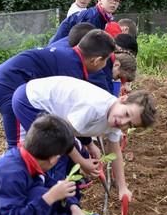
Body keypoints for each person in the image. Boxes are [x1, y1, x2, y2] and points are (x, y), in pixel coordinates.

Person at [11, 76, 157, 202]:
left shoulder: (115, 119)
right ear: (123, 99)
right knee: (52, 156)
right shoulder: (94, 107)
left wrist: (122, 187)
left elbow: (115, 151)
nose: (123, 122)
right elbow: (61, 136)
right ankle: (49, 208)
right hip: (31, 100)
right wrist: (82, 162)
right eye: (126, 114)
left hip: (57, 118)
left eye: (130, 124)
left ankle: (66, 204)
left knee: (66, 157)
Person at [0, 28, 115, 148]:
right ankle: (15, 169)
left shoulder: (71, 58)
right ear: (96, 60)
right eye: (106, 61)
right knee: (18, 143)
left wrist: (87, 143)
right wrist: (86, 144)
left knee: (37, 138)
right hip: (8, 87)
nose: (105, 66)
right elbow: (68, 119)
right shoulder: (71, 70)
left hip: (7, 82)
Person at [50, 0, 123, 44]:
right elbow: (85, 45)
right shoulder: (94, 17)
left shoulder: (103, 16)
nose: (113, 2)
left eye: (117, 0)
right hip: (60, 46)